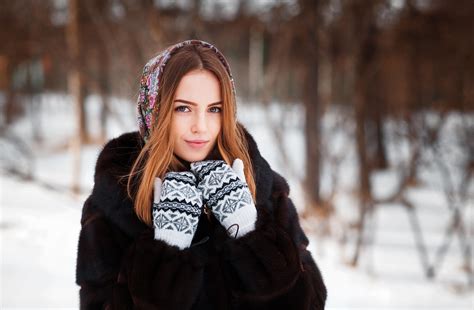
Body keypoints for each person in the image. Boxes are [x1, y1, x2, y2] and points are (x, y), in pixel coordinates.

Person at [75, 39, 327, 309]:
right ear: (155, 112)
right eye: (183, 108)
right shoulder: (116, 202)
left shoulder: (260, 187)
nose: (201, 126)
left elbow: (311, 302)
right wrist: (166, 253)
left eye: (214, 109)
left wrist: (250, 234)